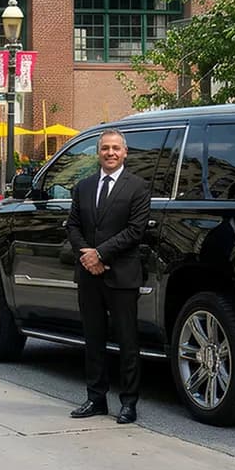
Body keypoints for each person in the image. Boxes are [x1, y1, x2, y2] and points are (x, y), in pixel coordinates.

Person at [65, 129, 151, 425]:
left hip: (122, 275)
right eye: (105, 148)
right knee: (93, 339)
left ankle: (128, 403)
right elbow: (73, 225)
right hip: (89, 275)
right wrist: (87, 255)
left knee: (127, 341)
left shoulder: (138, 187)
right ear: (98, 152)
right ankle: (95, 398)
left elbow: (135, 231)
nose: (110, 153)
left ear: (125, 153)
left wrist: (100, 254)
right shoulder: (84, 186)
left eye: (116, 148)